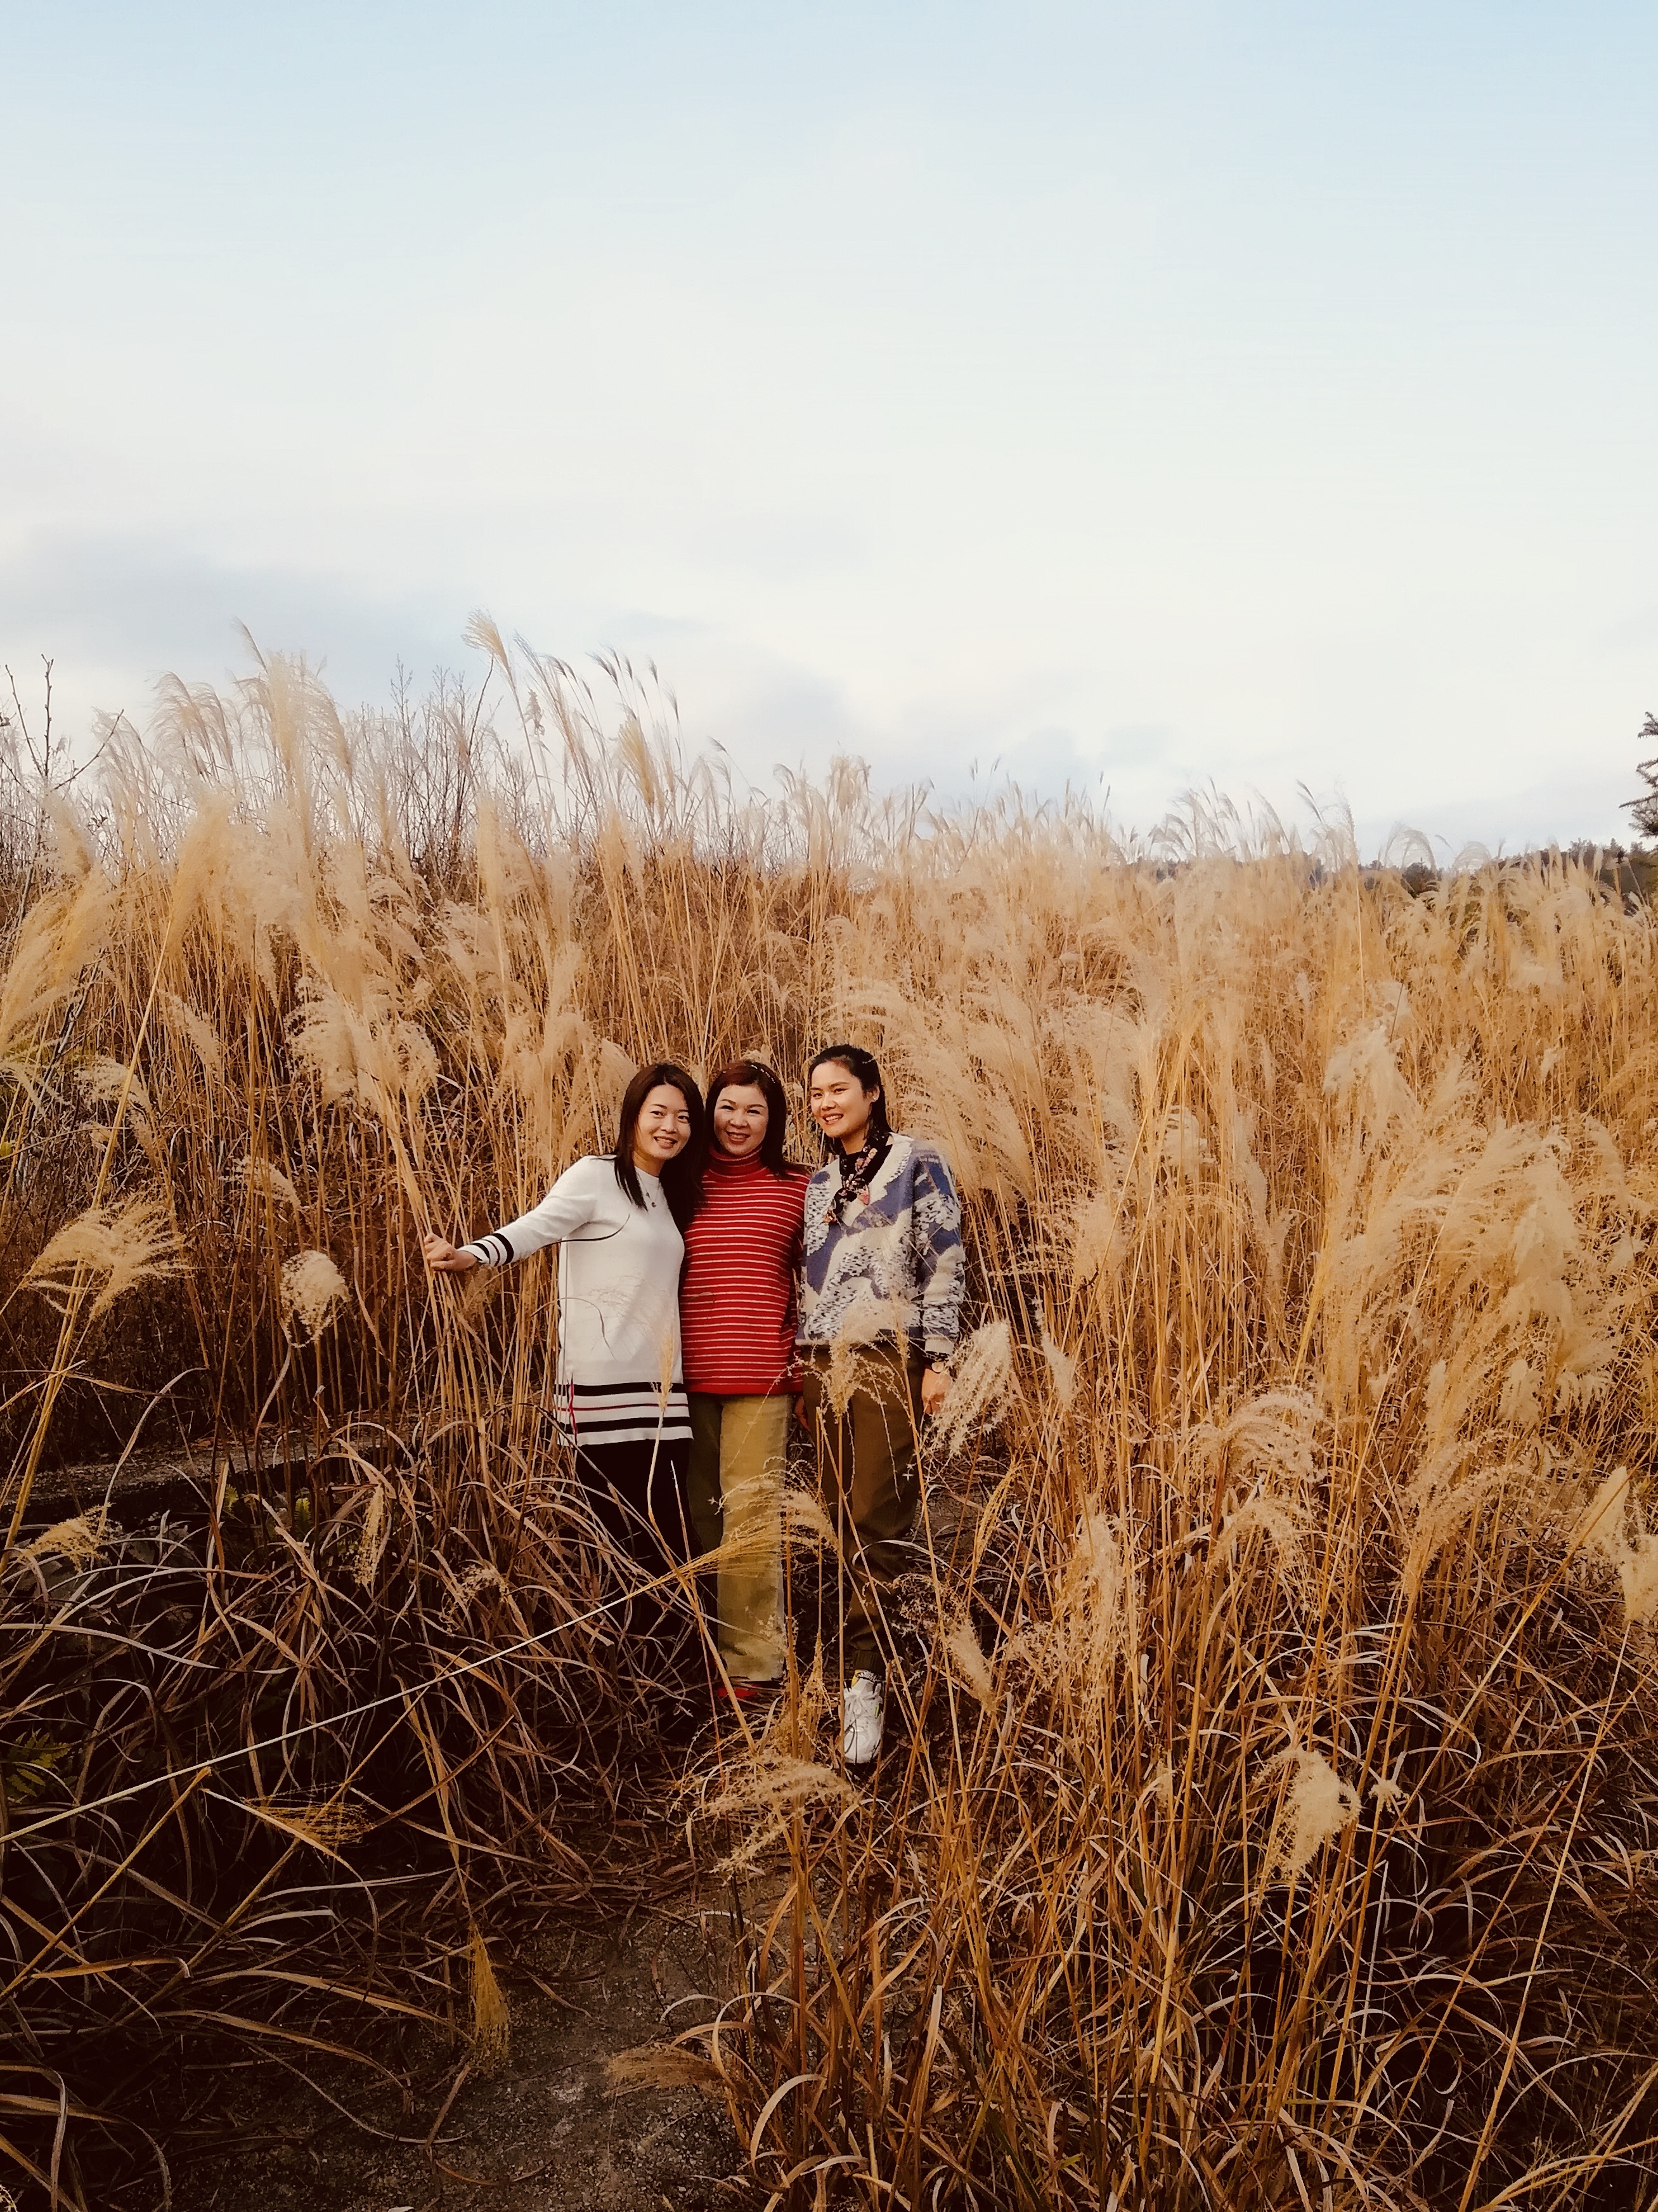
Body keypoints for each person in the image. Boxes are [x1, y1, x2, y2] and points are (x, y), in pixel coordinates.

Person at [422, 1062, 702, 1628]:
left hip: (663, 1397)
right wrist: (472, 1254)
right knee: (620, 1550)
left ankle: (673, 1680)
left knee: (672, 1546)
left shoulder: (670, 1191)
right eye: (658, 1113)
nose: (670, 1126)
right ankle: (631, 1681)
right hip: (601, 1394)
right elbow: (537, 1227)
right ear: (632, 1117)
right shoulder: (596, 1175)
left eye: (682, 1117)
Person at [797, 1044, 964, 1766]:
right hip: (822, 1362)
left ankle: (868, 1679)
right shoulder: (817, 1182)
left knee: (877, 1512)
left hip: (889, 1356)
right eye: (815, 1094)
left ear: (871, 1091)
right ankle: (842, 1667)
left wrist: (938, 1358)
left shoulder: (914, 1160)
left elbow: (946, 1255)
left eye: (838, 1089)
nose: (826, 1102)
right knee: (835, 1513)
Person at [680, 1059, 810, 1702]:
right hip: (682, 1377)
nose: (738, 1121)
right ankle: (698, 1652)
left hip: (762, 1376)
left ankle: (752, 1665)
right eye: (728, 1107)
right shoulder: (678, 1183)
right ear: (710, 1109)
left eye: (754, 1110)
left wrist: (812, 1371)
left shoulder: (798, 1187)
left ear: (772, 1119)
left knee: (752, 1518)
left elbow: (819, 1284)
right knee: (696, 1519)